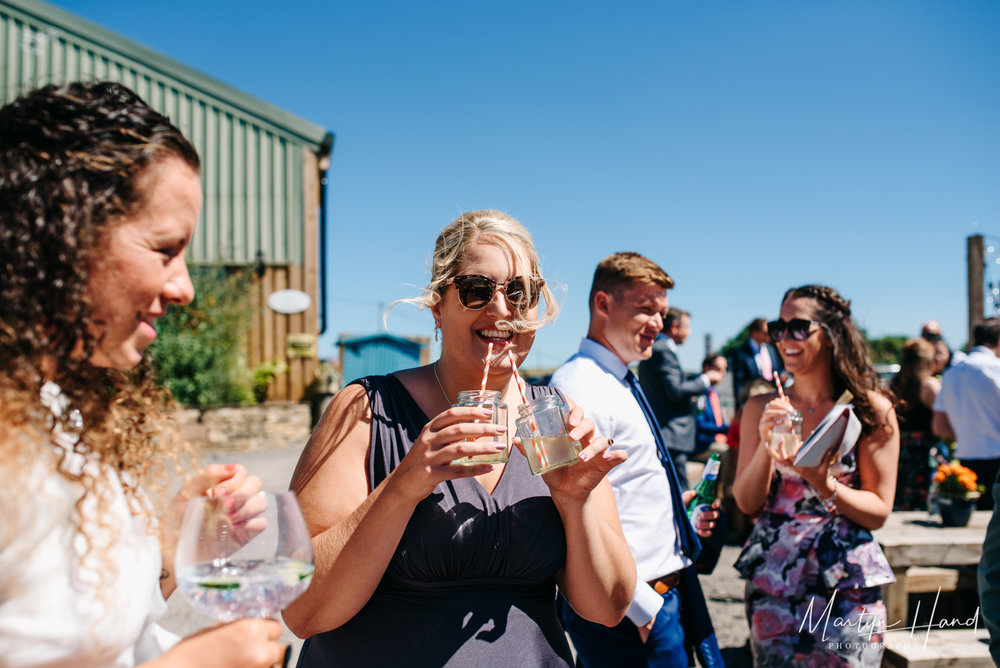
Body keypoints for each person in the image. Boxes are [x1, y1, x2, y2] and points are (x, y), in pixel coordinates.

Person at [0, 82, 287, 667]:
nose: (182, 287)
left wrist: (174, 543)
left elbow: (88, 629)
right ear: (63, 236)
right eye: (165, 249)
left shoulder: (55, 412)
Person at [285, 210, 635, 666]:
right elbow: (302, 610)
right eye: (476, 290)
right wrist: (404, 485)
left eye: (520, 292)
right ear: (438, 306)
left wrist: (576, 503)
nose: (502, 308)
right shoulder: (366, 411)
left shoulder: (556, 417)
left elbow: (608, 609)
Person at [549, 252, 722, 668]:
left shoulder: (619, 379)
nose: (658, 324)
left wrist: (674, 508)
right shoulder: (577, 387)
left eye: (661, 313)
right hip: (631, 609)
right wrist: (640, 607)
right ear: (603, 304)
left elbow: (622, 486)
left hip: (662, 593)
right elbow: (563, 506)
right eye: (646, 309)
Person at [733, 285, 898, 667]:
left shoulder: (871, 409)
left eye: (798, 327)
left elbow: (878, 511)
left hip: (847, 579)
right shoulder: (760, 406)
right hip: (775, 577)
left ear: (831, 333)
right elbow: (746, 502)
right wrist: (763, 443)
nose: (784, 338)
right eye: (779, 327)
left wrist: (824, 483)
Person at [638, 308, 725, 491]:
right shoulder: (663, 350)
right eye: (688, 327)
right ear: (675, 327)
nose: (690, 332)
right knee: (680, 491)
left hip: (668, 433)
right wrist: (706, 379)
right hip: (672, 433)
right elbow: (675, 390)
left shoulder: (658, 348)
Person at [932, 317, 1000, 511]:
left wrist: (965, 434)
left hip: (966, 459)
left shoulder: (951, 373)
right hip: (997, 458)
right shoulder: (996, 369)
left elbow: (939, 425)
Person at [889, 338, 943, 510]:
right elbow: (939, 425)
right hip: (925, 453)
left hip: (901, 452)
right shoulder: (930, 385)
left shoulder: (894, 384)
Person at [729, 318, 783, 406]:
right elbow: (738, 382)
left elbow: (777, 370)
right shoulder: (741, 353)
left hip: (773, 397)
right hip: (752, 399)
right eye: (765, 333)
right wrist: (740, 406)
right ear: (754, 333)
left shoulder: (772, 350)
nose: (769, 336)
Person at [693, 354, 730, 455]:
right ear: (706, 368)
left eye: (725, 369)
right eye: (718, 369)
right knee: (727, 452)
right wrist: (726, 429)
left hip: (715, 440)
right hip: (702, 444)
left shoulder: (714, 392)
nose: (723, 373)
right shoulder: (699, 392)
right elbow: (700, 424)